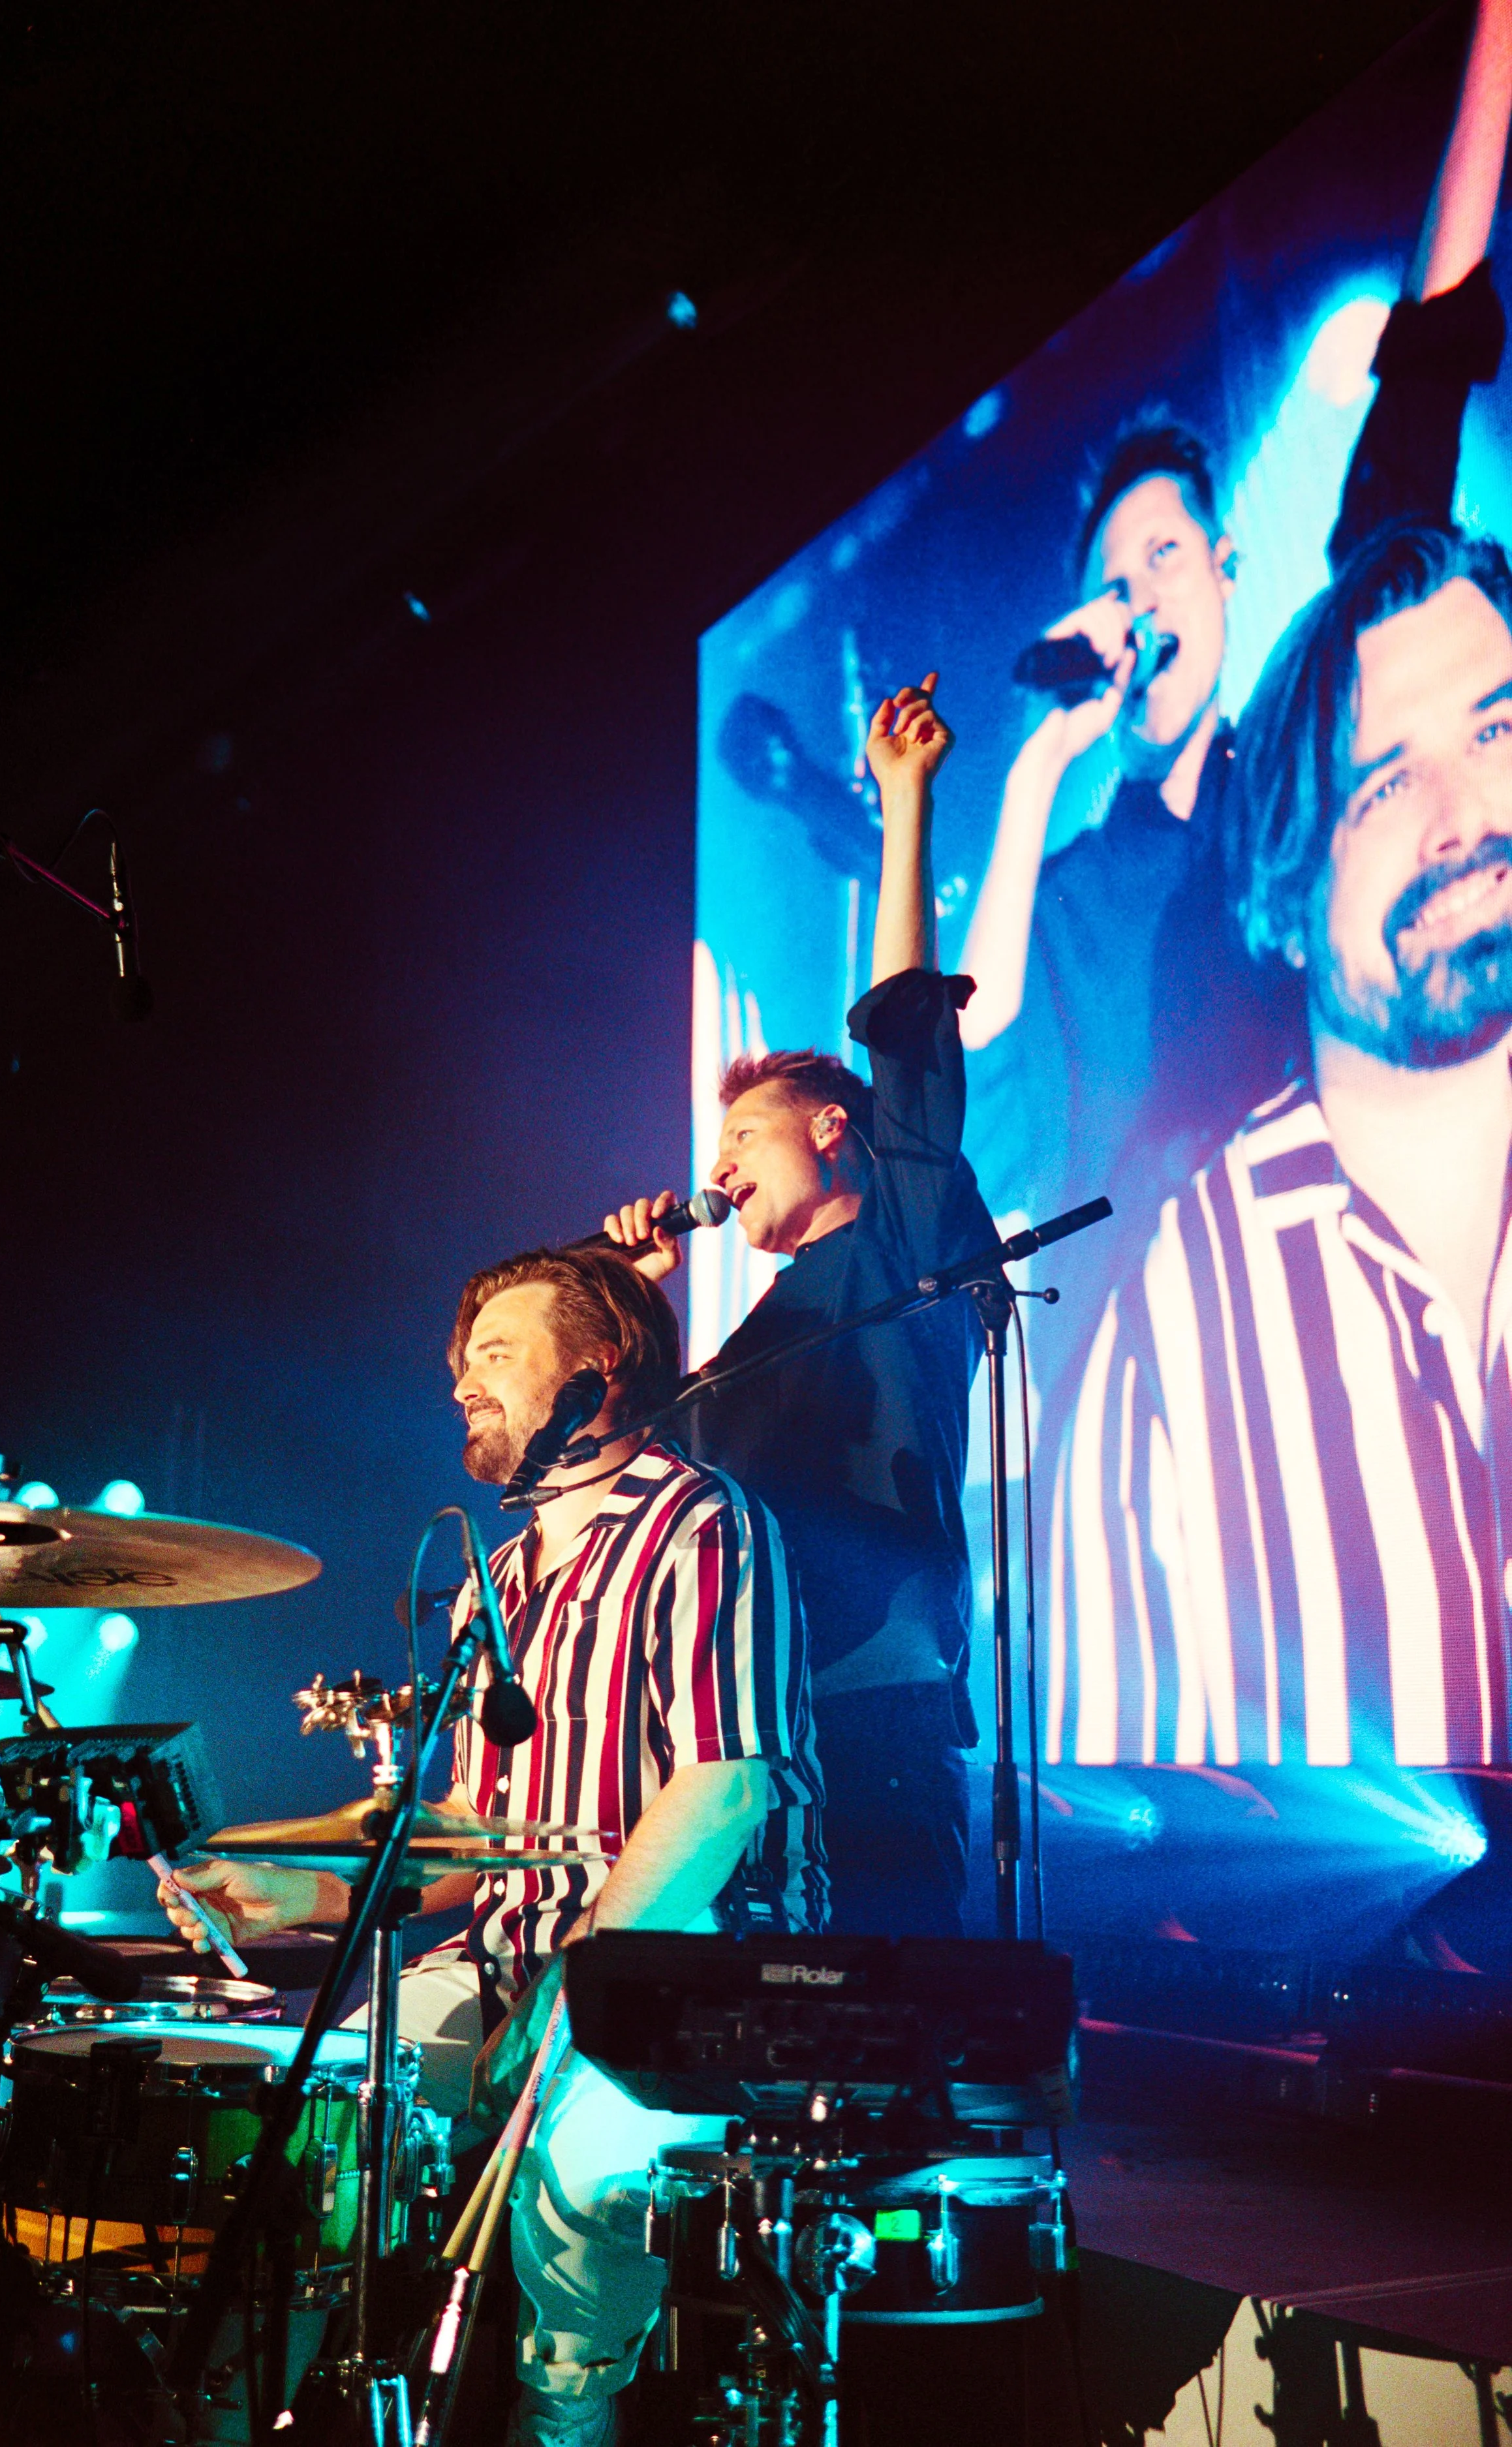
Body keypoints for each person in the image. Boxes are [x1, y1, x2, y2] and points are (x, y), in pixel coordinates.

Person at [161, 1246, 823, 2447]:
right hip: (510, 1958)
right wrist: (297, 1897)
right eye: (462, 1365)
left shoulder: (706, 1525)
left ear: (599, 1369)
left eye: (497, 1357)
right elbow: (472, 1838)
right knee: (314, 2123)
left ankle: (570, 2415)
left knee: (574, 2186)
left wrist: (581, 1972)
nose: (464, 1383)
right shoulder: (498, 1580)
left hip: (685, 1980)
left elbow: (729, 1789)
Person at [955, 0, 1512, 1245]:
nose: (1143, 593)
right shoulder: (1066, 898)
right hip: (1180, 1372)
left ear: (1225, 569)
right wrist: (1040, 765)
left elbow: (1420, 380)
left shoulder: (1300, 771)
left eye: (1166, 555)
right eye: (1115, 577)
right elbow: (963, 1118)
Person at [1047, 518, 1512, 1769]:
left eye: (1495, 730)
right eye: (1384, 781)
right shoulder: (1172, 1337)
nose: (1464, 818)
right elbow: (1141, 1923)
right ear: (1290, 896)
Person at [606, 675, 998, 1939]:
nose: (714, 1162)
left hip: (873, 1694)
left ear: (832, 1131)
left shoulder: (905, 1236)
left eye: (741, 1133)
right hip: (746, 1713)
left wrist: (903, 801)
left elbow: (906, 1039)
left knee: (889, 2024)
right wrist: (631, 1303)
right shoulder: (754, 1334)